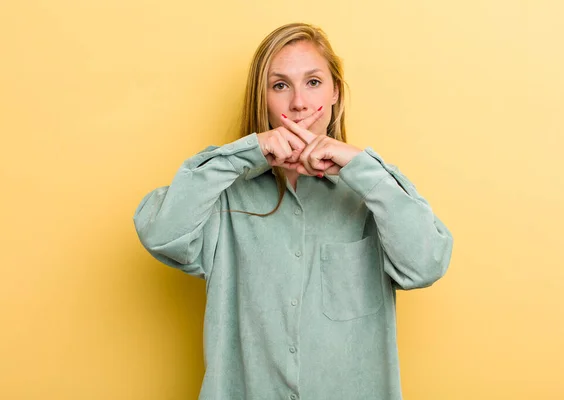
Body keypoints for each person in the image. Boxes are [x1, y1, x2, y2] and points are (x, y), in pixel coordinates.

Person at [133, 22, 453, 400]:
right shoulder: (225, 197)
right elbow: (162, 234)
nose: (299, 103)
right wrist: (245, 153)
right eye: (280, 85)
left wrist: (363, 169)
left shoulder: (372, 196)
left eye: (314, 82)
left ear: (335, 91)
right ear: (262, 98)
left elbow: (426, 263)